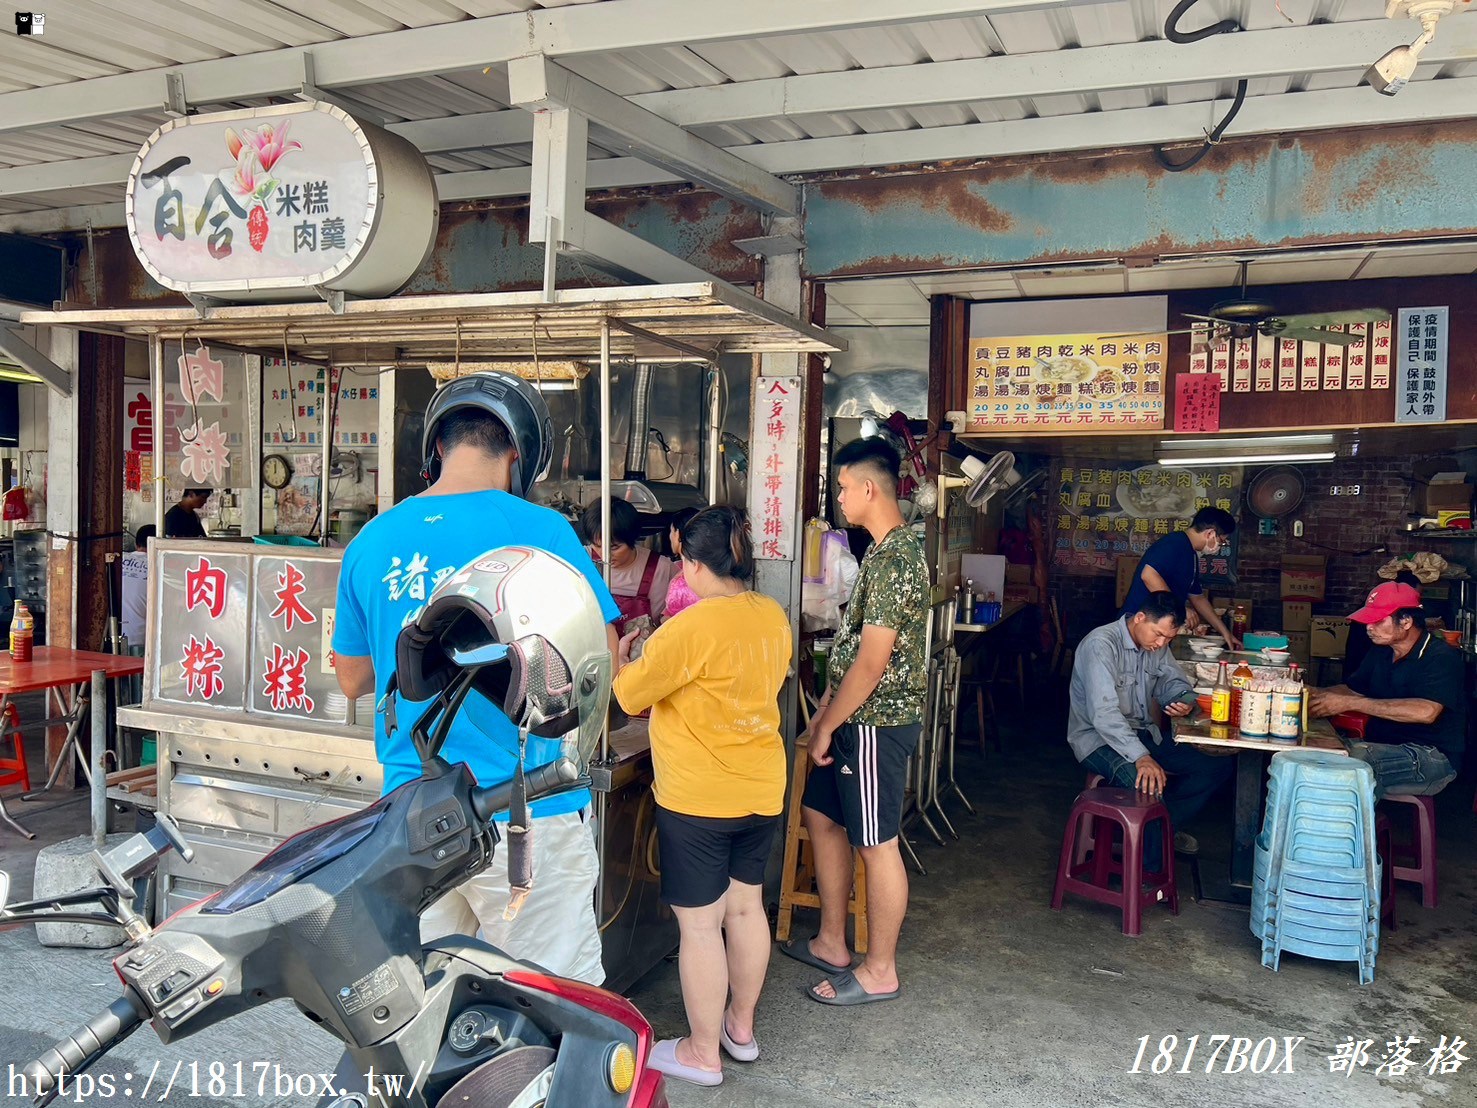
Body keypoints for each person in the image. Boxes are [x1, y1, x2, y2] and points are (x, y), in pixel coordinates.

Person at [332, 372, 620, 985]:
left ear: (436, 446)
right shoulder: (541, 533)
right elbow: (604, 658)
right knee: (550, 996)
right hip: (530, 810)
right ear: (519, 453)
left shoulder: (372, 539)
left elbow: (352, 679)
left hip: (413, 815)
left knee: (427, 999)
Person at [611, 507, 790, 1087]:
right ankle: (741, 1029)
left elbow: (628, 696)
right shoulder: (771, 615)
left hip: (699, 800)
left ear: (690, 563)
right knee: (745, 908)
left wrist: (623, 650)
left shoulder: (687, 629)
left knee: (699, 927)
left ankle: (701, 1053)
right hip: (761, 788)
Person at [783, 437, 929, 1007]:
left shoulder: (895, 559)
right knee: (822, 815)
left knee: (877, 843)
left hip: (874, 722)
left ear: (869, 488)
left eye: (844, 487)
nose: (839, 498)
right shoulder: (879, 550)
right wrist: (825, 714)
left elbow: (871, 665)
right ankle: (831, 941)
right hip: (851, 717)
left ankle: (880, 969)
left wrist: (822, 727)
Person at [1067, 591, 1234, 869]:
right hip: (1097, 740)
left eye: (1168, 639)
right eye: (1158, 635)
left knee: (1216, 766)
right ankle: (1146, 875)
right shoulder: (1101, 645)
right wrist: (1141, 757)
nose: (1161, 644)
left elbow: (1172, 680)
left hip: (1143, 735)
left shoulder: (1156, 645)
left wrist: (1183, 700)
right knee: (1148, 783)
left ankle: (1162, 826)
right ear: (1140, 618)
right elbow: (1103, 714)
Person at [1309, 582, 1464, 799]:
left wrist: (1349, 703)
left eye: (1378, 621)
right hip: (1384, 745)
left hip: (1432, 757)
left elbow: (1426, 712)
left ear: (1407, 621)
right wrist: (1314, 694)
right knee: (1319, 752)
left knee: (1356, 760)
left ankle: (1350, 831)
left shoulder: (1441, 657)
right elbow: (1353, 690)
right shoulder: (1381, 651)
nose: (1368, 627)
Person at [1120, 506, 1239, 649]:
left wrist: (1225, 633)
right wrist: (1178, 608)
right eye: (1222, 541)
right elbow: (1148, 575)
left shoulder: (1192, 555)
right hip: (1141, 627)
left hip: (1159, 632)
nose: (1220, 545)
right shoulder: (1174, 543)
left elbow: (1198, 598)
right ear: (1210, 534)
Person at [582, 497, 675, 634]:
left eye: (614, 547)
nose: (604, 555)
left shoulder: (661, 569)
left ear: (632, 539)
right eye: (597, 546)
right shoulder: (582, 561)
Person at [661, 506, 702, 621]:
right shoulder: (680, 566)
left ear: (677, 534)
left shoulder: (682, 580)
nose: (670, 536)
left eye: (671, 531)